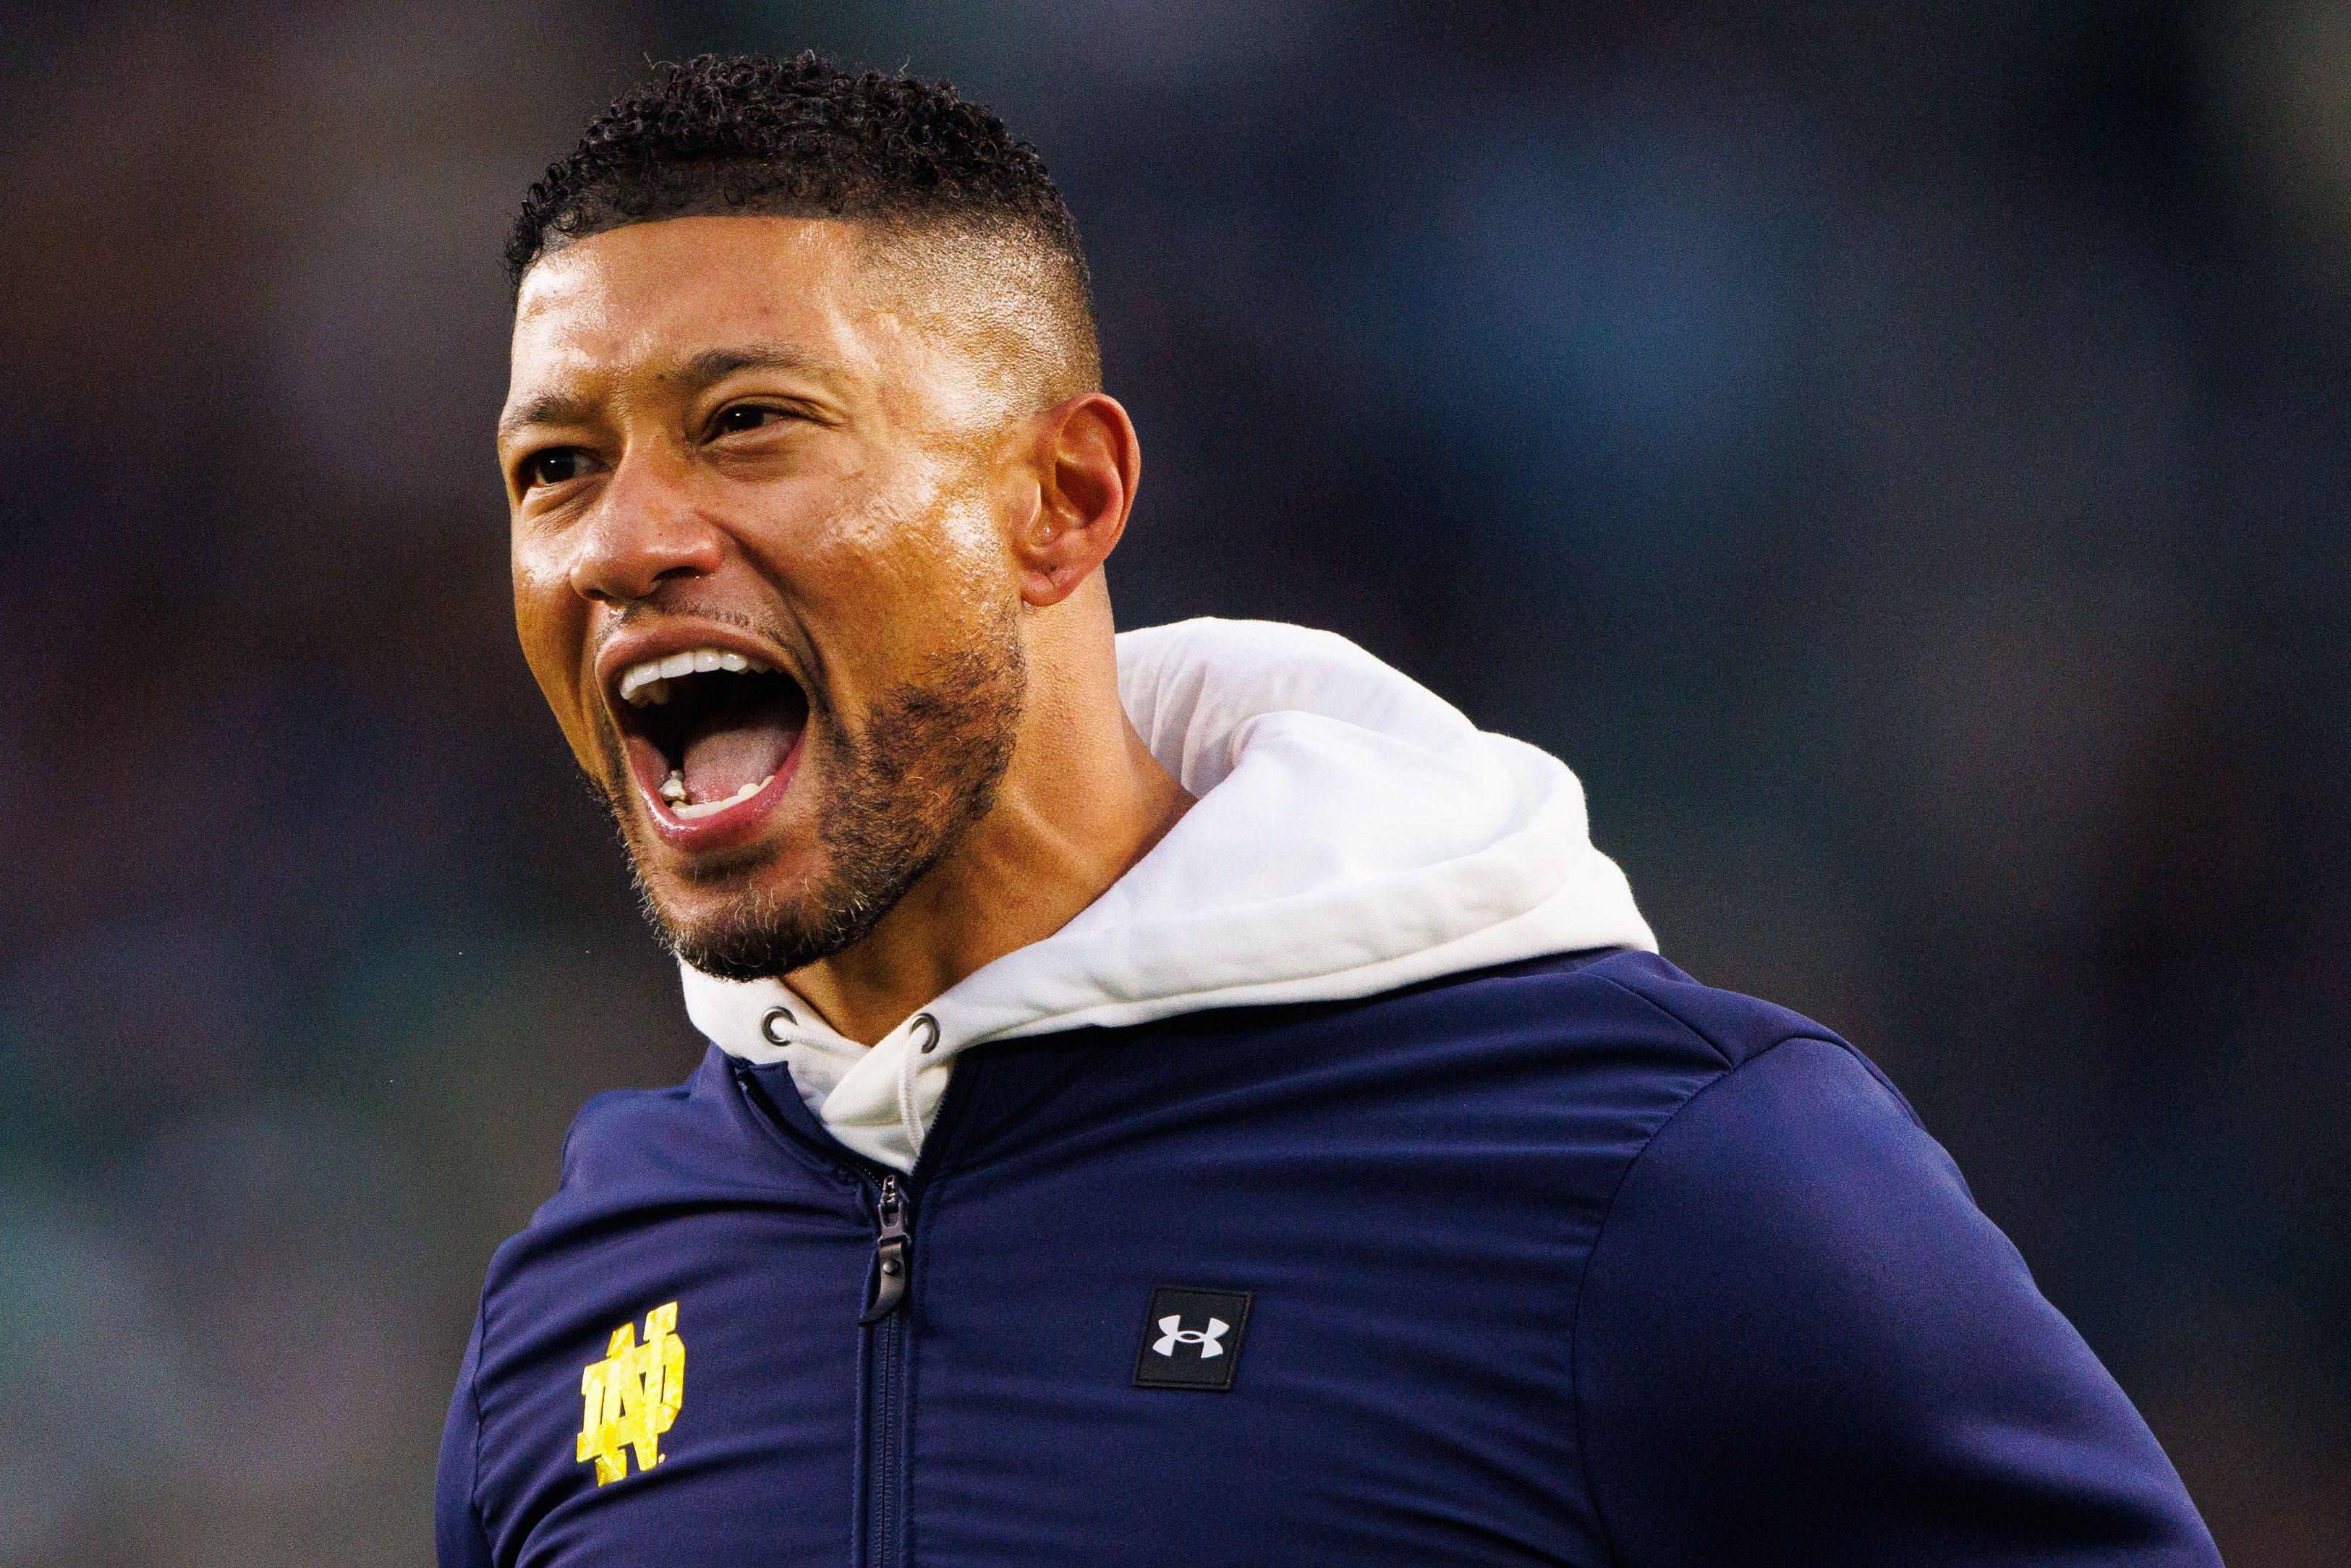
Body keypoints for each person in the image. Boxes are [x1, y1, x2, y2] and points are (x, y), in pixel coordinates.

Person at [441, 52, 2220, 1567]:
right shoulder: (578, 1302)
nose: (619, 543)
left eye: (749, 422)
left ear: (1061, 498)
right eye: (556, 467)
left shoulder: (1659, 1172)